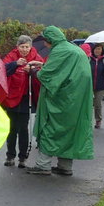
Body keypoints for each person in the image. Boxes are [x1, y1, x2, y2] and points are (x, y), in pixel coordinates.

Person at [26, 26, 94, 176]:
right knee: (69, 132)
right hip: (76, 101)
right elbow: (63, 71)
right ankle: (65, 166)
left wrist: (33, 71)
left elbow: (48, 77)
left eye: (46, 41)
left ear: (51, 39)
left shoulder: (59, 51)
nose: (45, 44)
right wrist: (43, 65)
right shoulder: (73, 49)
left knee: (50, 128)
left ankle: (43, 165)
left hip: (61, 100)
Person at [1, 34, 43, 167]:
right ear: (17, 47)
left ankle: (23, 157)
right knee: (11, 127)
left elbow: (43, 73)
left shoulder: (36, 58)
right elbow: (2, 70)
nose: (24, 49)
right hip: (11, 97)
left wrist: (31, 71)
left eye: (27, 47)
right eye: (22, 46)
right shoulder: (11, 57)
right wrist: (15, 64)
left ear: (31, 47)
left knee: (23, 128)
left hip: (26, 98)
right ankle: (10, 155)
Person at [88, 43, 104, 128]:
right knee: (88, 104)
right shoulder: (89, 59)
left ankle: (98, 120)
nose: (97, 51)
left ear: (102, 50)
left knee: (97, 104)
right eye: (96, 49)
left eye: (99, 49)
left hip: (100, 86)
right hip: (89, 85)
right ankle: (87, 120)